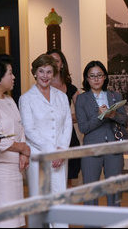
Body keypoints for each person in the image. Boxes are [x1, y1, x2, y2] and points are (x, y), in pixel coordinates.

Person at [19, 54, 72, 227]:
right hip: (39, 157)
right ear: (34, 72)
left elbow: (67, 125)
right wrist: (52, 151)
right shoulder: (26, 99)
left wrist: (62, 149)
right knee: (40, 203)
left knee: (59, 200)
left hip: (60, 156)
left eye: (49, 72)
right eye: (41, 71)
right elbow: (29, 130)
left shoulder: (62, 96)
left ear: (54, 73)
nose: (45, 75)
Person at [0, 54, 30, 228]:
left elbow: (20, 127)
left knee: (16, 219)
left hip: (15, 169)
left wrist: (24, 154)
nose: (14, 77)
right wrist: (23, 148)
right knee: (2, 220)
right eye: (10, 73)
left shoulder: (9, 100)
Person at [75, 60, 128, 206]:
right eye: (92, 76)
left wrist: (112, 115)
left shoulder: (115, 96)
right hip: (92, 148)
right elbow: (83, 128)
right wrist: (100, 116)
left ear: (105, 77)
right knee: (91, 191)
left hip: (114, 148)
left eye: (99, 75)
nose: (96, 79)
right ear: (87, 79)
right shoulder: (81, 99)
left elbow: (124, 120)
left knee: (114, 190)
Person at [46, 49, 81, 188]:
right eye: (50, 60)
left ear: (62, 65)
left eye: (57, 61)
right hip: (48, 138)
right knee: (51, 178)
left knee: (68, 179)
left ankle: (67, 208)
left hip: (68, 138)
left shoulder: (71, 88)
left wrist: (66, 119)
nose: (53, 64)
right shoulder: (42, 87)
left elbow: (82, 113)